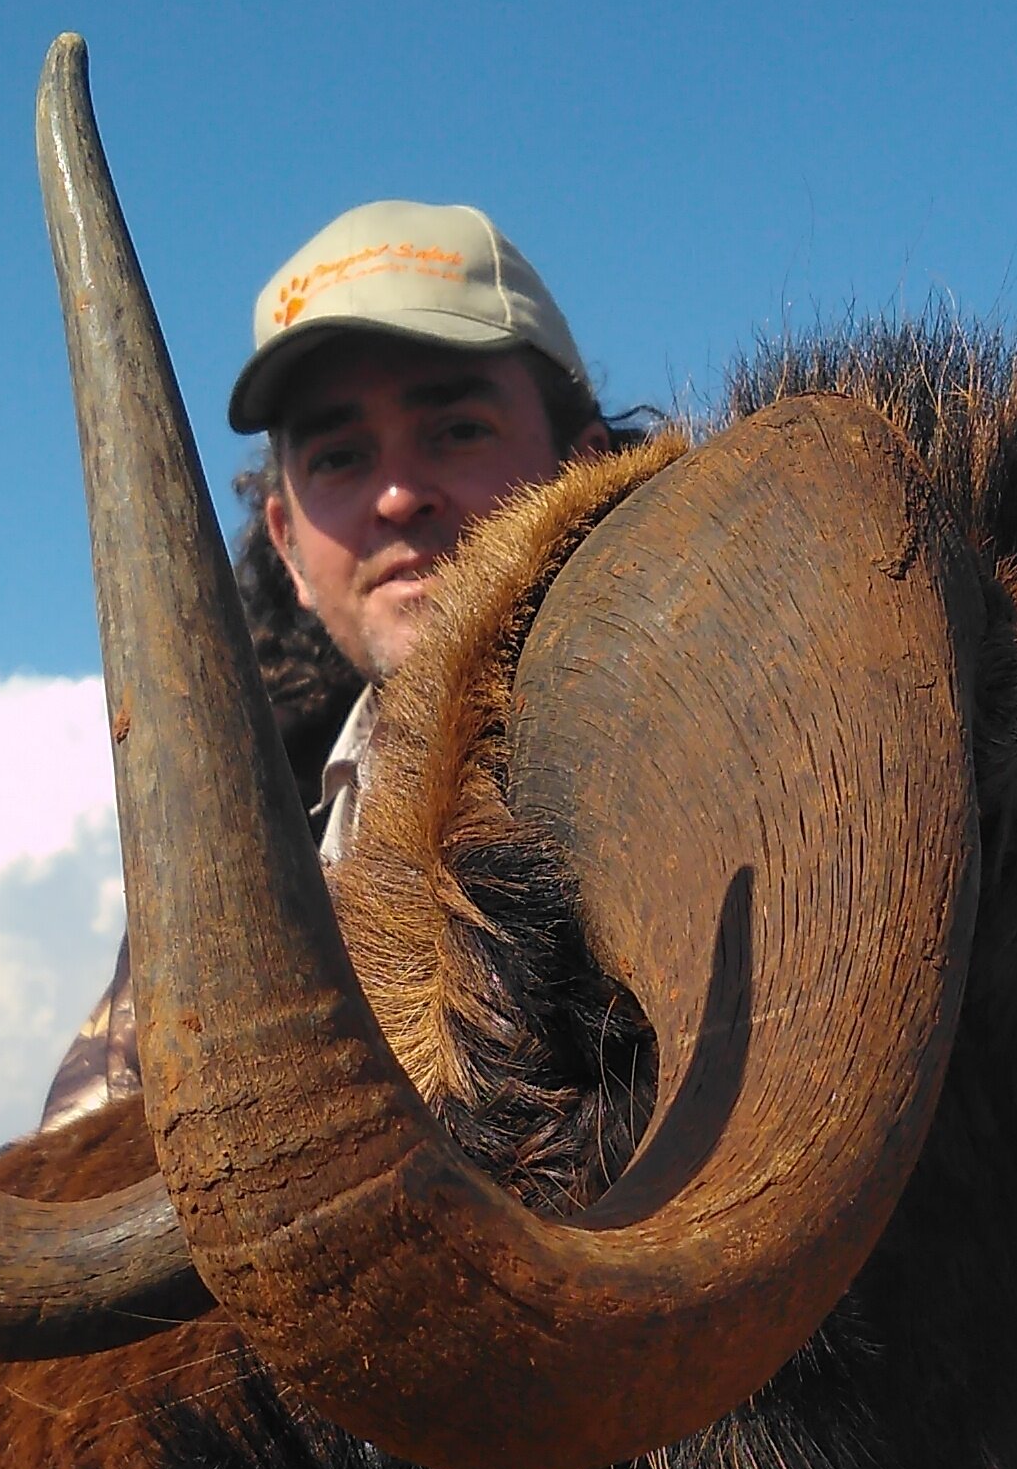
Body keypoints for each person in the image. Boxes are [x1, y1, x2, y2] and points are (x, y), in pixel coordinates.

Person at [37, 200, 621, 1130]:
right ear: (288, 548)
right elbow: (88, 1182)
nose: (397, 495)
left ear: (584, 468)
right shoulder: (229, 901)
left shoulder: (724, 757)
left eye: (458, 429)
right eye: (342, 457)